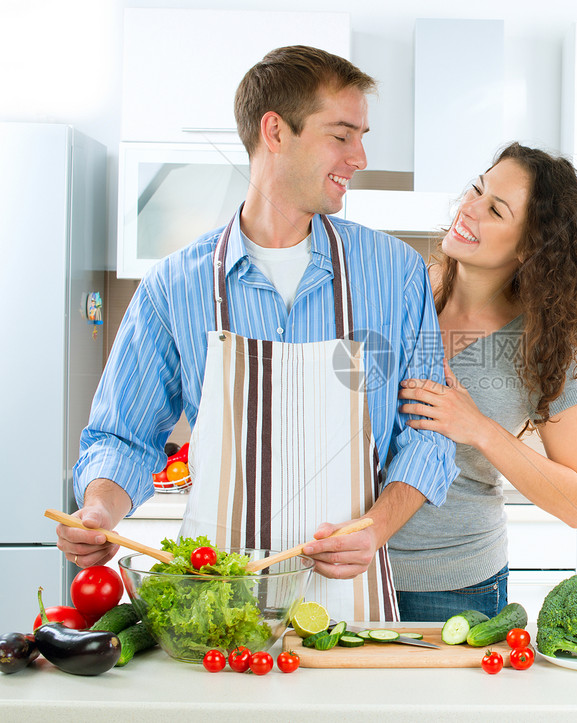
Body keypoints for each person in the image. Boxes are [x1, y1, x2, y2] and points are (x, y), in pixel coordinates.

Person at [57, 46, 457, 621]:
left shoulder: (397, 274)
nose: (360, 155)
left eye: (361, 135)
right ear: (275, 130)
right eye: (342, 135)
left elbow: (429, 434)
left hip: (345, 608)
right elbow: (124, 437)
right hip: (214, 606)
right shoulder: (174, 285)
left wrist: (376, 529)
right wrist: (99, 509)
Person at [390, 142, 577, 621]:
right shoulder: (404, 291)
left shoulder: (542, 345)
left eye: (495, 209)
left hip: (455, 587)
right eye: (476, 190)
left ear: (530, 245)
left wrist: (480, 428)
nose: (469, 209)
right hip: (349, 569)